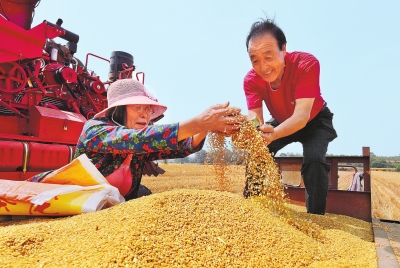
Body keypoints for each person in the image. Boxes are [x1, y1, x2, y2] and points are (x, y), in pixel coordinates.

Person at [29, 78, 244, 200]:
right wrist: (200, 122)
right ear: (120, 110)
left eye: (148, 109)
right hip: (63, 202)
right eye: (137, 108)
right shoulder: (96, 130)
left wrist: (208, 128)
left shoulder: (141, 146)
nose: (145, 114)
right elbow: (138, 140)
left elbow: (180, 146)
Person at [243, 18, 337, 215]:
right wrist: (250, 130)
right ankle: (252, 210)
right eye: (255, 60)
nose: (263, 66)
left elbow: (301, 116)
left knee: (314, 160)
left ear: (283, 49)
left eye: (268, 57)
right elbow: (255, 117)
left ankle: (316, 217)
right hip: (281, 120)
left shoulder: (306, 64)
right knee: (257, 149)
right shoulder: (251, 80)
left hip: (314, 120)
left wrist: (274, 133)